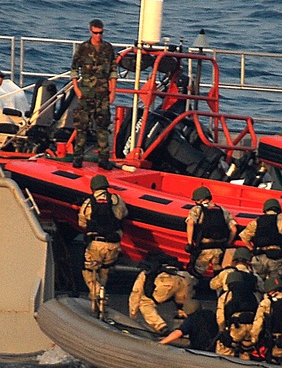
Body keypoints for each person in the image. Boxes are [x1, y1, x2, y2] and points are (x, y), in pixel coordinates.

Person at [77, 173, 128, 320]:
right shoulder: (117, 200)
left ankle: (97, 293)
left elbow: (82, 223)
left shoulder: (88, 202)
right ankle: (102, 293)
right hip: (113, 245)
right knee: (104, 271)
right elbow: (123, 214)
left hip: (96, 244)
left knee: (89, 271)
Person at [71, 19, 117, 169]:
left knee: (103, 127)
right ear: (91, 31)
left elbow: (113, 71)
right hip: (86, 93)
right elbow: (74, 69)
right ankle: (78, 157)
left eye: (101, 33)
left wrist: (113, 91)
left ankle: (103, 159)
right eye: (96, 33)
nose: (98, 35)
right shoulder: (83, 48)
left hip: (102, 93)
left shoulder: (108, 48)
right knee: (82, 126)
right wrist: (77, 89)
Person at [239, 198, 282, 291]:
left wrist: (251, 248)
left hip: (259, 256)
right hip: (275, 256)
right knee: (275, 284)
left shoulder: (257, 221)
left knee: (257, 283)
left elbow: (244, 236)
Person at [128, 254, 195, 335]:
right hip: (185, 277)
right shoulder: (175, 267)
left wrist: (132, 315)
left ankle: (161, 327)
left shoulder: (147, 271)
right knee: (185, 305)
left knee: (145, 303)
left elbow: (136, 292)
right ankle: (187, 321)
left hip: (166, 281)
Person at [185, 186, 237, 278]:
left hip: (204, 249)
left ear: (199, 200)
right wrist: (228, 243)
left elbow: (190, 223)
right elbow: (234, 229)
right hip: (220, 249)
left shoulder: (197, 209)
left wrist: (189, 243)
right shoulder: (222, 210)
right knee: (219, 274)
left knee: (195, 273)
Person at [215, 269, 260, 359]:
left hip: (236, 327)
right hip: (251, 326)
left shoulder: (227, 295)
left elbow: (220, 315)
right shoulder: (253, 294)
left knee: (224, 351)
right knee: (246, 353)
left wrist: (222, 330)